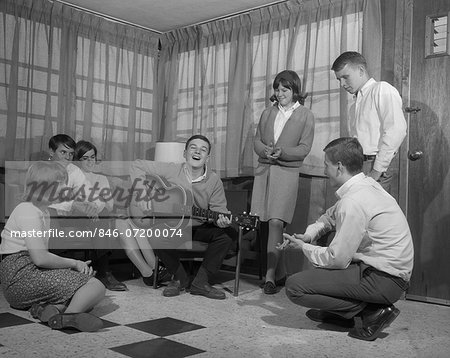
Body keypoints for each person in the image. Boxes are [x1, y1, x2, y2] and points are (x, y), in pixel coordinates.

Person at [279, 137, 414, 341]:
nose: (324, 170)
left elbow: (337, 259)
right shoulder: (365, 184)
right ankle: (344, 313)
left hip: (384, 280)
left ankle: (370, 312)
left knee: (295, 287)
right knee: (321, 263)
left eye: (326, 165)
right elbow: (330, 216)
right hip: (385, 273)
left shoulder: (353, 201)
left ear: (339, 167)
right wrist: (309, 234)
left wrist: (304, 247)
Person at [0, 161, 105, 332]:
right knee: (96, 287)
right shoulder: (28, 211)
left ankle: (49, 309)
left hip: (25, 276)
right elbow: (40, 258)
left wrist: (73, 271)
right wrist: (74, 263)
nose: (66, 187)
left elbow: (41, 259)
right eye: (61, 183)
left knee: (83, 294)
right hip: (20, 278)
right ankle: (66, 317)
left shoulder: (42, 212)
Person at [129, 135, 234, 300]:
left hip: (200, 226)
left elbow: (219, 210)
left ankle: (201, 282)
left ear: (208, 157)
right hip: (175, 225)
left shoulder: (214, 181)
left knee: (227, 235)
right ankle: (179, 278)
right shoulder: (172, 169)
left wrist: (222, 221)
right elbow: (137, 165)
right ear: (185, 153)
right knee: (155, 235)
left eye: (203, 149)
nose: (197, 151)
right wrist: (142, 193)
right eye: (193, 147)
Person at [251, 70, 315, 294]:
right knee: (267, 223)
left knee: (277, 222)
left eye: (285, 90)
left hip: (287, 173)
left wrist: (283, 152)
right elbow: (257, 140)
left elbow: (304, 149)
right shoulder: (268, 113)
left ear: (294, 90)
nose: (280, 94)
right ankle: (281, 274)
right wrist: (265, 151)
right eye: (277, 90)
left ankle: (269, 277)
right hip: (264, 171)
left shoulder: (306, 115)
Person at [331, 51, 407, 193]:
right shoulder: (354, 105)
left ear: (361, 70)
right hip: (359, 165)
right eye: (339, 79)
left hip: (376, 165)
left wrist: (376, 170)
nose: (342, 84)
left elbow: (396, 130)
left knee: (370, 212)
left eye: (345, 77)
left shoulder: (381, 89)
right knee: (359, 211)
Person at [73, 140, 128, 291]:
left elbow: (109, 204)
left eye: (92, 157)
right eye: (85, 158)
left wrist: (95, 207)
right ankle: (105, 272)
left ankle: (103, 272)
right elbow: (74, 200)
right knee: (100, 216)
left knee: (101, 217)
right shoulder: (71, 176)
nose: (90, 161)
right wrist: (92, 205)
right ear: (78, 160)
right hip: (76, 217)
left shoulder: (101, 179)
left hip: (97, 218)